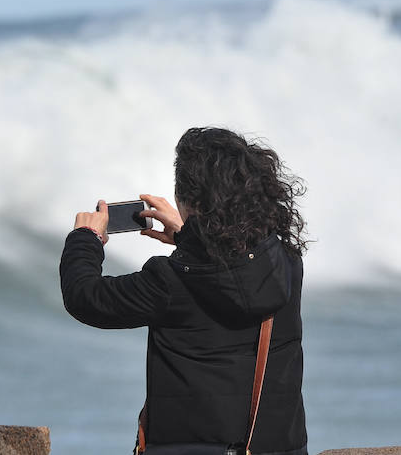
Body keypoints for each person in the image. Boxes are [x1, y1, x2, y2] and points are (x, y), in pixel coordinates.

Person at [60, 127, 308, 454]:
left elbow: (86, 297)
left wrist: (86, 238)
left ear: (190, 202)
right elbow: (229, 270)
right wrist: (187, 235)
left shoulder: (170, 281)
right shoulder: (286, 263)